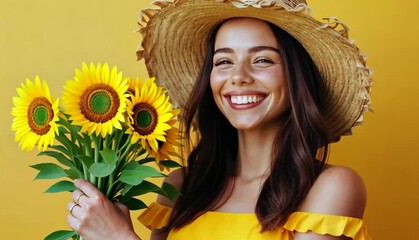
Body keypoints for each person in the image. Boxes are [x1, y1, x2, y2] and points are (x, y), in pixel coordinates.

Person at [67, 0, 373, 239]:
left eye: (262, 59)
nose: (239, 77)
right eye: (224, 61)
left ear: (296, 77)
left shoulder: (331, 187)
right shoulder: (181, 185)